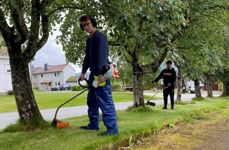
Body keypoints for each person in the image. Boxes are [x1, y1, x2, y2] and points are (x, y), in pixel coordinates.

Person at [79, 15, 118, 135]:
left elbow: (102, 55)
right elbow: (87, 58)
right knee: (92, 100)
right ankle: (93, 125)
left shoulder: (100, 36)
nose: (86, 27)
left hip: (101, 74)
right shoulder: (89, 39)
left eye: (87, 24)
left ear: (93, 23)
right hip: (92, 74)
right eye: (83, 25)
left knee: (105, 101)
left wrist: (101, 74)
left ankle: (112, 130)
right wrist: (83, 72)